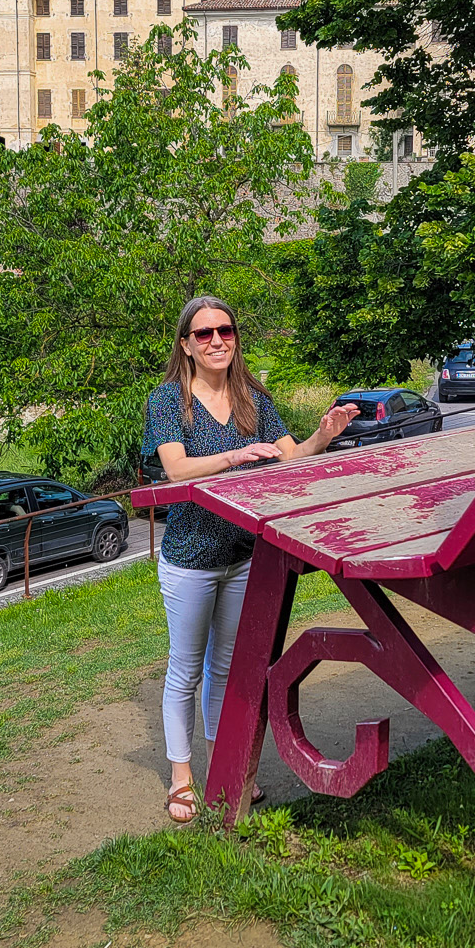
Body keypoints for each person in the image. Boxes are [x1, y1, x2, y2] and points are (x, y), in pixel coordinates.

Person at [143, 295, 358, 823]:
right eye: (204, 334)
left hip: (242, 553)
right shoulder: (168, 400)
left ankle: (227, 766)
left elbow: (290, 457)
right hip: (191, 557)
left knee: (226, 668)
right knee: (185, 671)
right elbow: (175, 470)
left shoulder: (252, 399)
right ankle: (181, 778)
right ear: (186, 346)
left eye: (226, 330)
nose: (217, 340)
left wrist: (323, 436)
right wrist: (234, 457)